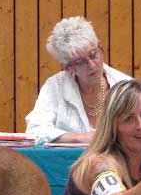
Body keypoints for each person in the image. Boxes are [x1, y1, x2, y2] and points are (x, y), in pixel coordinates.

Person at [25, 16, 131, 145]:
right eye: (81, 62)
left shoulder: (126, 85)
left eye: (93, 55)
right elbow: (34, 131)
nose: (92, 65)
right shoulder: (55, 86)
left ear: (100, 47)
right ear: (67, 68)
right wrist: (82, 138)